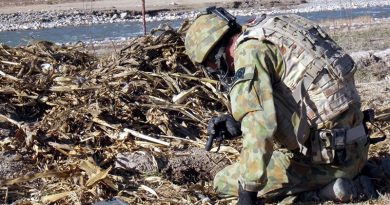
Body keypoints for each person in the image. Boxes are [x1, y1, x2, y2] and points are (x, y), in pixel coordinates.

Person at [184, 7, 379, 204]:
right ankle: (356, 173)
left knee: (223, 181)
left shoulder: (248, 53)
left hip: (329, 163)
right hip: (358, 147)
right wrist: (236, 122)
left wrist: (248, 193)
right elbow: (300, 93)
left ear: (215, 56)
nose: (215, 72)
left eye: (211, 67)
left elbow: (259, 125)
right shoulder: (277, 28)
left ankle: (325, 192)